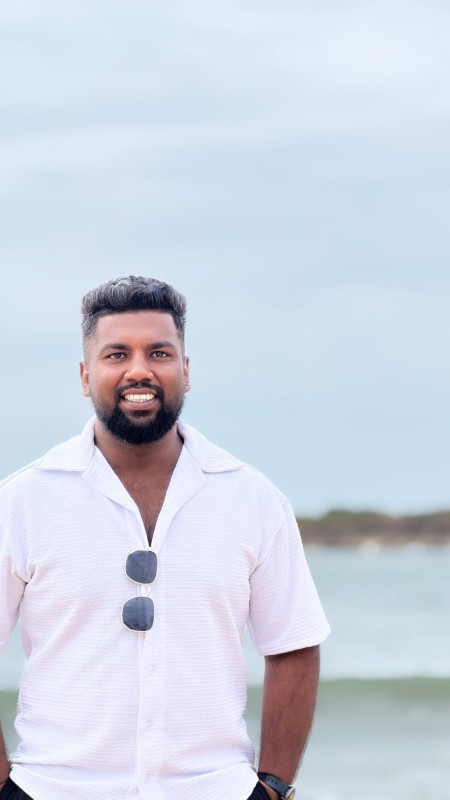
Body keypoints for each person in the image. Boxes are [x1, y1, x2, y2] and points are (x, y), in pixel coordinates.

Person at [0, 276, 330, 800]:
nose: (139, 370)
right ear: (86, 376)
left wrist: (273, 785)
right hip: (54, 787)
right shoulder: (22, 501)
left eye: (159, 353)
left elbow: (293, 645)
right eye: (116, 354)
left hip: (215, 788)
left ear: (186, 371)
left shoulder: (253, 499)